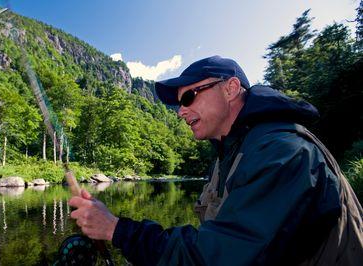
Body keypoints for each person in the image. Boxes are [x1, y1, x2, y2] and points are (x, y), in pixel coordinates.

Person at [68, 56, 363, 265]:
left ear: (231, 89)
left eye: (189, 98)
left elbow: (217, 257)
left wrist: (116, 229)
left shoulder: (282, 152)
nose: (180, 112)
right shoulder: (232, 153)